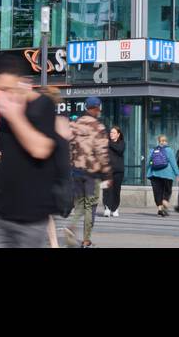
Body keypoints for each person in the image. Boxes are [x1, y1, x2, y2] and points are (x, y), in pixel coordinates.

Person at [0, 64, 59, 247]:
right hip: (0, 213)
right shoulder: (5, 114)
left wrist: (15, 116)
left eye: (7, 89)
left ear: (23, 84)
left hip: (30, 218)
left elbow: (40, 149)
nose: (1, 97)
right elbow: (9, 162)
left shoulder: (43, 105)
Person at [62, 97, 109, 247]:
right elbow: (102, 152)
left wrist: (70, 166)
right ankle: (86, 239)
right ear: (96, 108)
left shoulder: (75, 125)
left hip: (76, 172)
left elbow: (69, 148)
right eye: (99, 108)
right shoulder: (98, 127)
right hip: (91, 173)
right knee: (90, 205)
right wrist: (107, 172)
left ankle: (72, 226)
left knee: (80, 204)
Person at [146, 134, 178, 216]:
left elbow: (148, 162)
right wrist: (177, 174)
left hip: (154, 174)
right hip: (167, 174)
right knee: (167, 191)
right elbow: (173, 163)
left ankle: (160, 209)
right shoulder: (169, 150)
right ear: (166, 141)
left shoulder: (153, 150)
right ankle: (164, 201)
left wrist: (148, 171)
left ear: (158, 141)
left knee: (157, 192)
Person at [103, 126, 125, 217]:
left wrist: (108, 142)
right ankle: (107, 208)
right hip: (107, 170)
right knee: (107, 190)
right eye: (111, 132)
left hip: (118, 171)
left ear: (118, 134)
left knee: (116, 190)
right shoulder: (105, 144)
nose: (111, 134)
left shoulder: (121, 143)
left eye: (114, 132)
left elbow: (119, 150)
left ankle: (115, 208)